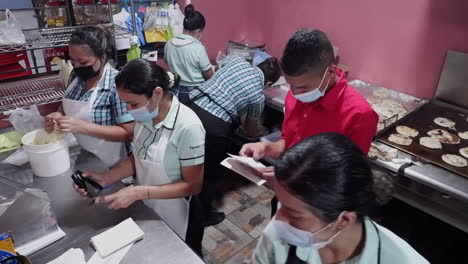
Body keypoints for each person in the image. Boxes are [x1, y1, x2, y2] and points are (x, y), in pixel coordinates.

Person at [73, 59, 206, 256]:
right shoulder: (145, 115)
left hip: (179, 213)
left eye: (133, 103)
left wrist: (138, 193)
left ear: (157, 93)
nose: (128, 110)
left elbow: (193, 185)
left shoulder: (188, 127)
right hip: (150, 208)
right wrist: (107, 177)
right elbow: (140, 158)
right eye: (125, 103)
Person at [253, 133, 429, 264]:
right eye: (281, 204)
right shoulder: (279, 235)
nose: (278, 220)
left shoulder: (402, 260)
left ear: (344, 220)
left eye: (295, 215)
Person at [240, 28, 378, 178]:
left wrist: (295, 179)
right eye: (290, 85)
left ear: (330, 72)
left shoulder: (359, 114)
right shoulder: (295, 96)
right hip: (286, 184)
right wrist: (266, 147)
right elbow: (289, 142)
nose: (295, 93)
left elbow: (349, 176)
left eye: (304, 87)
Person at [186, 54, 281, 226]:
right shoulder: (258, 95)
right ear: (269, 84)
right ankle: (204, 216)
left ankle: (180, 200)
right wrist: (260, 130)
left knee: (184, 159)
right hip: (213, 124)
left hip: (191, 104)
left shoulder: (237, 61)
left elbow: (219, 71)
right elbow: (250, 130)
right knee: (208, 173)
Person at [44, 26, 134, 168]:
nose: (77, 67)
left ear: (102, 57)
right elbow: (69, 102)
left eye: (83, 62)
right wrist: (59, 113)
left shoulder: (117, 85)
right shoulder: (76, 76)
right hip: (86, 155)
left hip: (113, 162)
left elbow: (128, 133)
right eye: (73, 62)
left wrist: (83, 127)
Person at [164, 4, 213, 103]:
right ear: (198, 31)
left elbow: (167, 61)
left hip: (174, 91)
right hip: (195, 93)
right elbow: (209, 75)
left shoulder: (169, 43)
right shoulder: (198, 48)